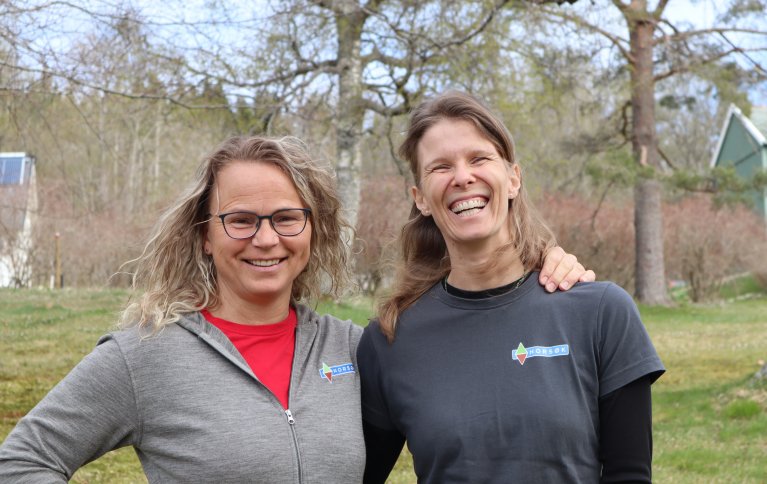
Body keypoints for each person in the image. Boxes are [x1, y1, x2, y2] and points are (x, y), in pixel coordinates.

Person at [0, 135, 589, 483]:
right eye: (240, 220)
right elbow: (23, 460)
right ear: (205, 234)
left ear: (313, 231)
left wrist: (540, 261)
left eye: (286, 218)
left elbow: (464, 322)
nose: (265, 239)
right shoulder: (145, 355)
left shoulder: (351, 348)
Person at [358, 91, 665, 483]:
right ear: (420, 199)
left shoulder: (602, 312)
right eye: (440, 167)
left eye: (479, 158)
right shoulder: (391, 339)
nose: (462, 177)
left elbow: (630, 475)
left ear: (513, 178)